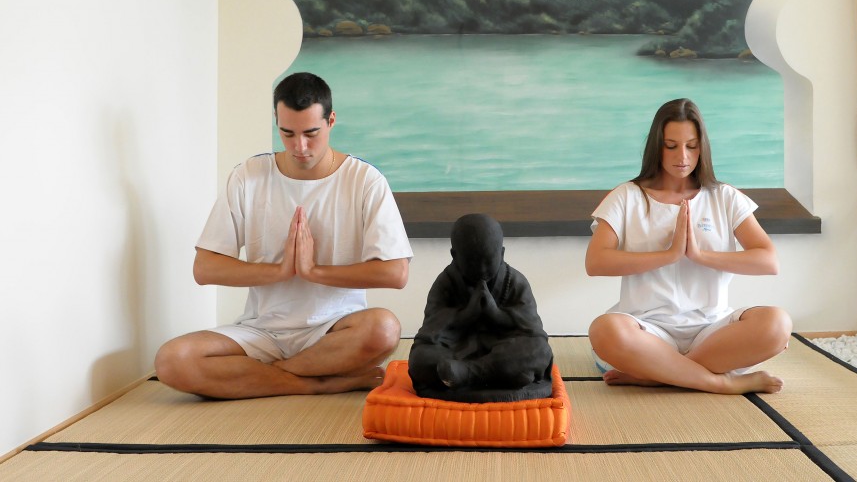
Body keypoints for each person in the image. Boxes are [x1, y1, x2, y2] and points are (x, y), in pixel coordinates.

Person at [155, 72, 413, 399]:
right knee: (171, 361)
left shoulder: (365, 180)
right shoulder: (248, 175)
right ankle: (319, 382)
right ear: (277, 122)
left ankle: (263, 378)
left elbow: (395, 273)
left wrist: (313, 271)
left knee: (384, 329)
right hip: (260, 332)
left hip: (334, 333)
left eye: (311, 133)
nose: (299, 147)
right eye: (287, 133)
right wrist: (280, 271)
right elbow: (205, 268)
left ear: (331, 121)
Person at [586, 98, 791, 395]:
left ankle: (658, 374)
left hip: (712, 331)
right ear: (656, 146)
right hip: (646, 330)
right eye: (671, 146)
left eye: (691, 146)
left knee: (777, 323)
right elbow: (596, 262)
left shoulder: (724, 196)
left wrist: (699, 255)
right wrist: (669, 255)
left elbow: (768, 261)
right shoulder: (627, 196)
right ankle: (718, 382)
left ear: (702, 147)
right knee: (604, 330)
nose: (682, 156)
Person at [408, 213, 553, 402]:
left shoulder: (515, 282)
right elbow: (430, 330)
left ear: (501, 253)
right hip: (458, 351)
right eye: (472, 261)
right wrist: (465, 315)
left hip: (503, 350)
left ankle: (466, 375)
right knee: (420, 359)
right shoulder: (446, 282)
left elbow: (533, 331)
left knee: (539, 351)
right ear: (454, 255)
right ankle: (504, 376)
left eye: (488, 261)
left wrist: (497, 315)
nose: (482, 269)